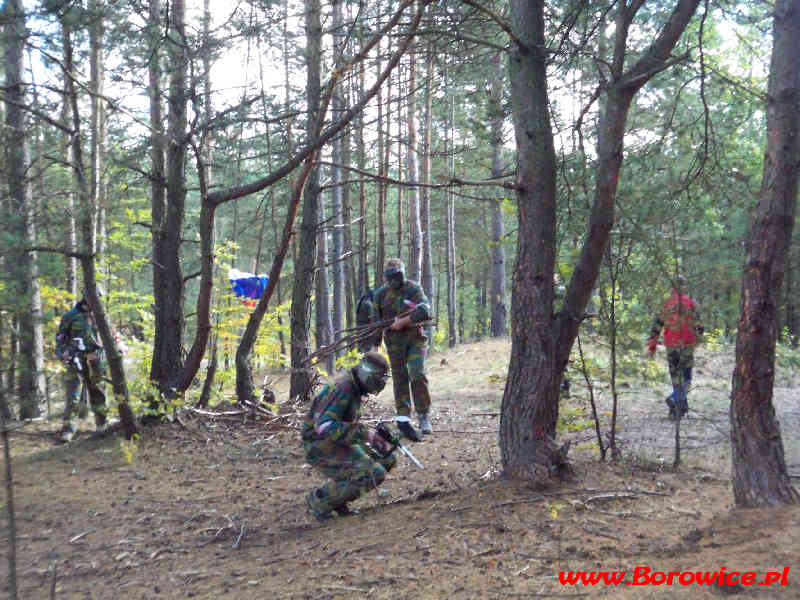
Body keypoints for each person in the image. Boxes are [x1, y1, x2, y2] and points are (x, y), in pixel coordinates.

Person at [302, 351, 395, 520]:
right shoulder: (343, 387)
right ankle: (321, 499)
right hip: (319, 445)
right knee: (373, 473)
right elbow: (325, 426)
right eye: (378, 378)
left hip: (335, 440)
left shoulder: (354, 386)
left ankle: (338, 498)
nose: (380, 383)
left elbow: (342, 424)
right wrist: (365, 435)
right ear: (367, 374)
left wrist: (371, 438)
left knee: (386, 458)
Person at [372, 258, 432, 441]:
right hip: (394, 343)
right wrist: (375, 347)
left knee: (417, 374)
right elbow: (377, 324)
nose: (396, 279)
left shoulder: (413, 288)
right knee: (400, 379)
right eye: (392, 276)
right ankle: (404, 418)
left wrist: (404, 322)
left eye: (399, 275)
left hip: (415, 340)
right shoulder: (380, 295)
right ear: (386, 277)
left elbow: (424, 310)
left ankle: (423, 415)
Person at [55, 288, 108, 442]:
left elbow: (110, 336)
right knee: (73, 395)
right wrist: (63, 354)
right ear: (85, 297)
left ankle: (101, 424)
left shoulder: (101, 316)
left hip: (96, 360)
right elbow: (60, 339)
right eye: (93, 297)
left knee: (98, 392)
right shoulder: (71, 316)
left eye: (98, 298)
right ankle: (68, 429)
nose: (96, 301)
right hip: (75, 359)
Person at [648, 275, 704, 420]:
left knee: (675, 378)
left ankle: (678, 411)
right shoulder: (692, 304)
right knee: (686, 378)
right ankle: (674, 400)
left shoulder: (665, 304)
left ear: (672, 287)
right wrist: (698, 339)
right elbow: (699, 326)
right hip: (686, 345)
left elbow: (656, 327)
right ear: (684, 286)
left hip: (671, 345)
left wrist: (652, 346)